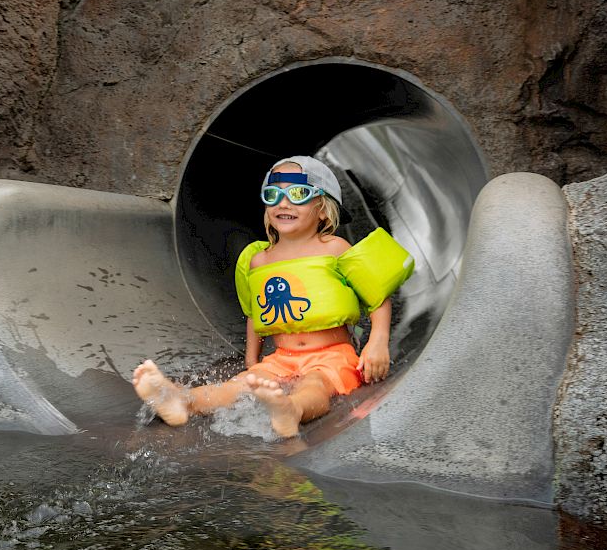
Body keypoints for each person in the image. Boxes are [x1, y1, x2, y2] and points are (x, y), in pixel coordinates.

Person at [131, 156, 414, 438]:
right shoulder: (259, 260)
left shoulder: (334, 248)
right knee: (241, 385)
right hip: (283, 358)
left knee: (316, 384)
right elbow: (256, 312)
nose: (283, 203)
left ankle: (292, 410)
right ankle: (181, 400)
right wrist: (252, 361)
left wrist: (377, 343)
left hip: (332, 356)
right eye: (273, 195)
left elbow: (377, 295)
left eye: (298, 194)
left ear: (324, 210)